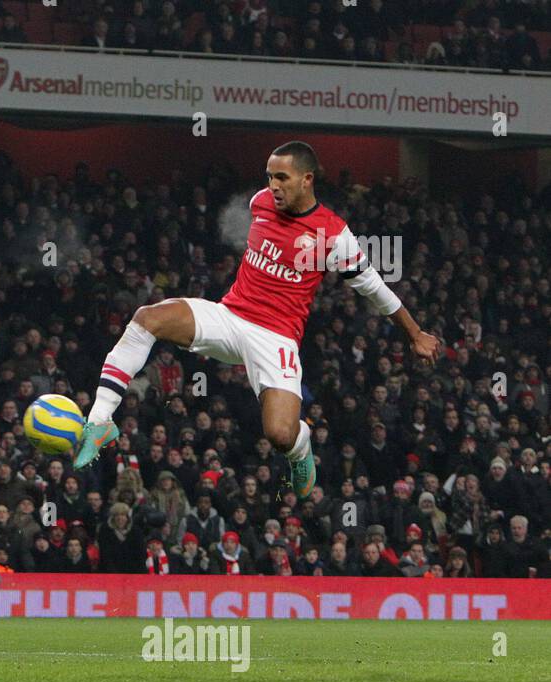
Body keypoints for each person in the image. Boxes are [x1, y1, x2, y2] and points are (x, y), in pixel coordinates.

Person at [75, 141, 440, 501]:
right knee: (147, 318)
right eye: (269, 177)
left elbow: (374, 288)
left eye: (282, 177)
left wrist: (415, 333)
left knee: (279, 435)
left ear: (307, 179)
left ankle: (300, 450)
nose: (273, 186)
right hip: (229, 316)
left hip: (276, 339)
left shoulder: (333, 235)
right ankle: (100, 419)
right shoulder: (260, 203)